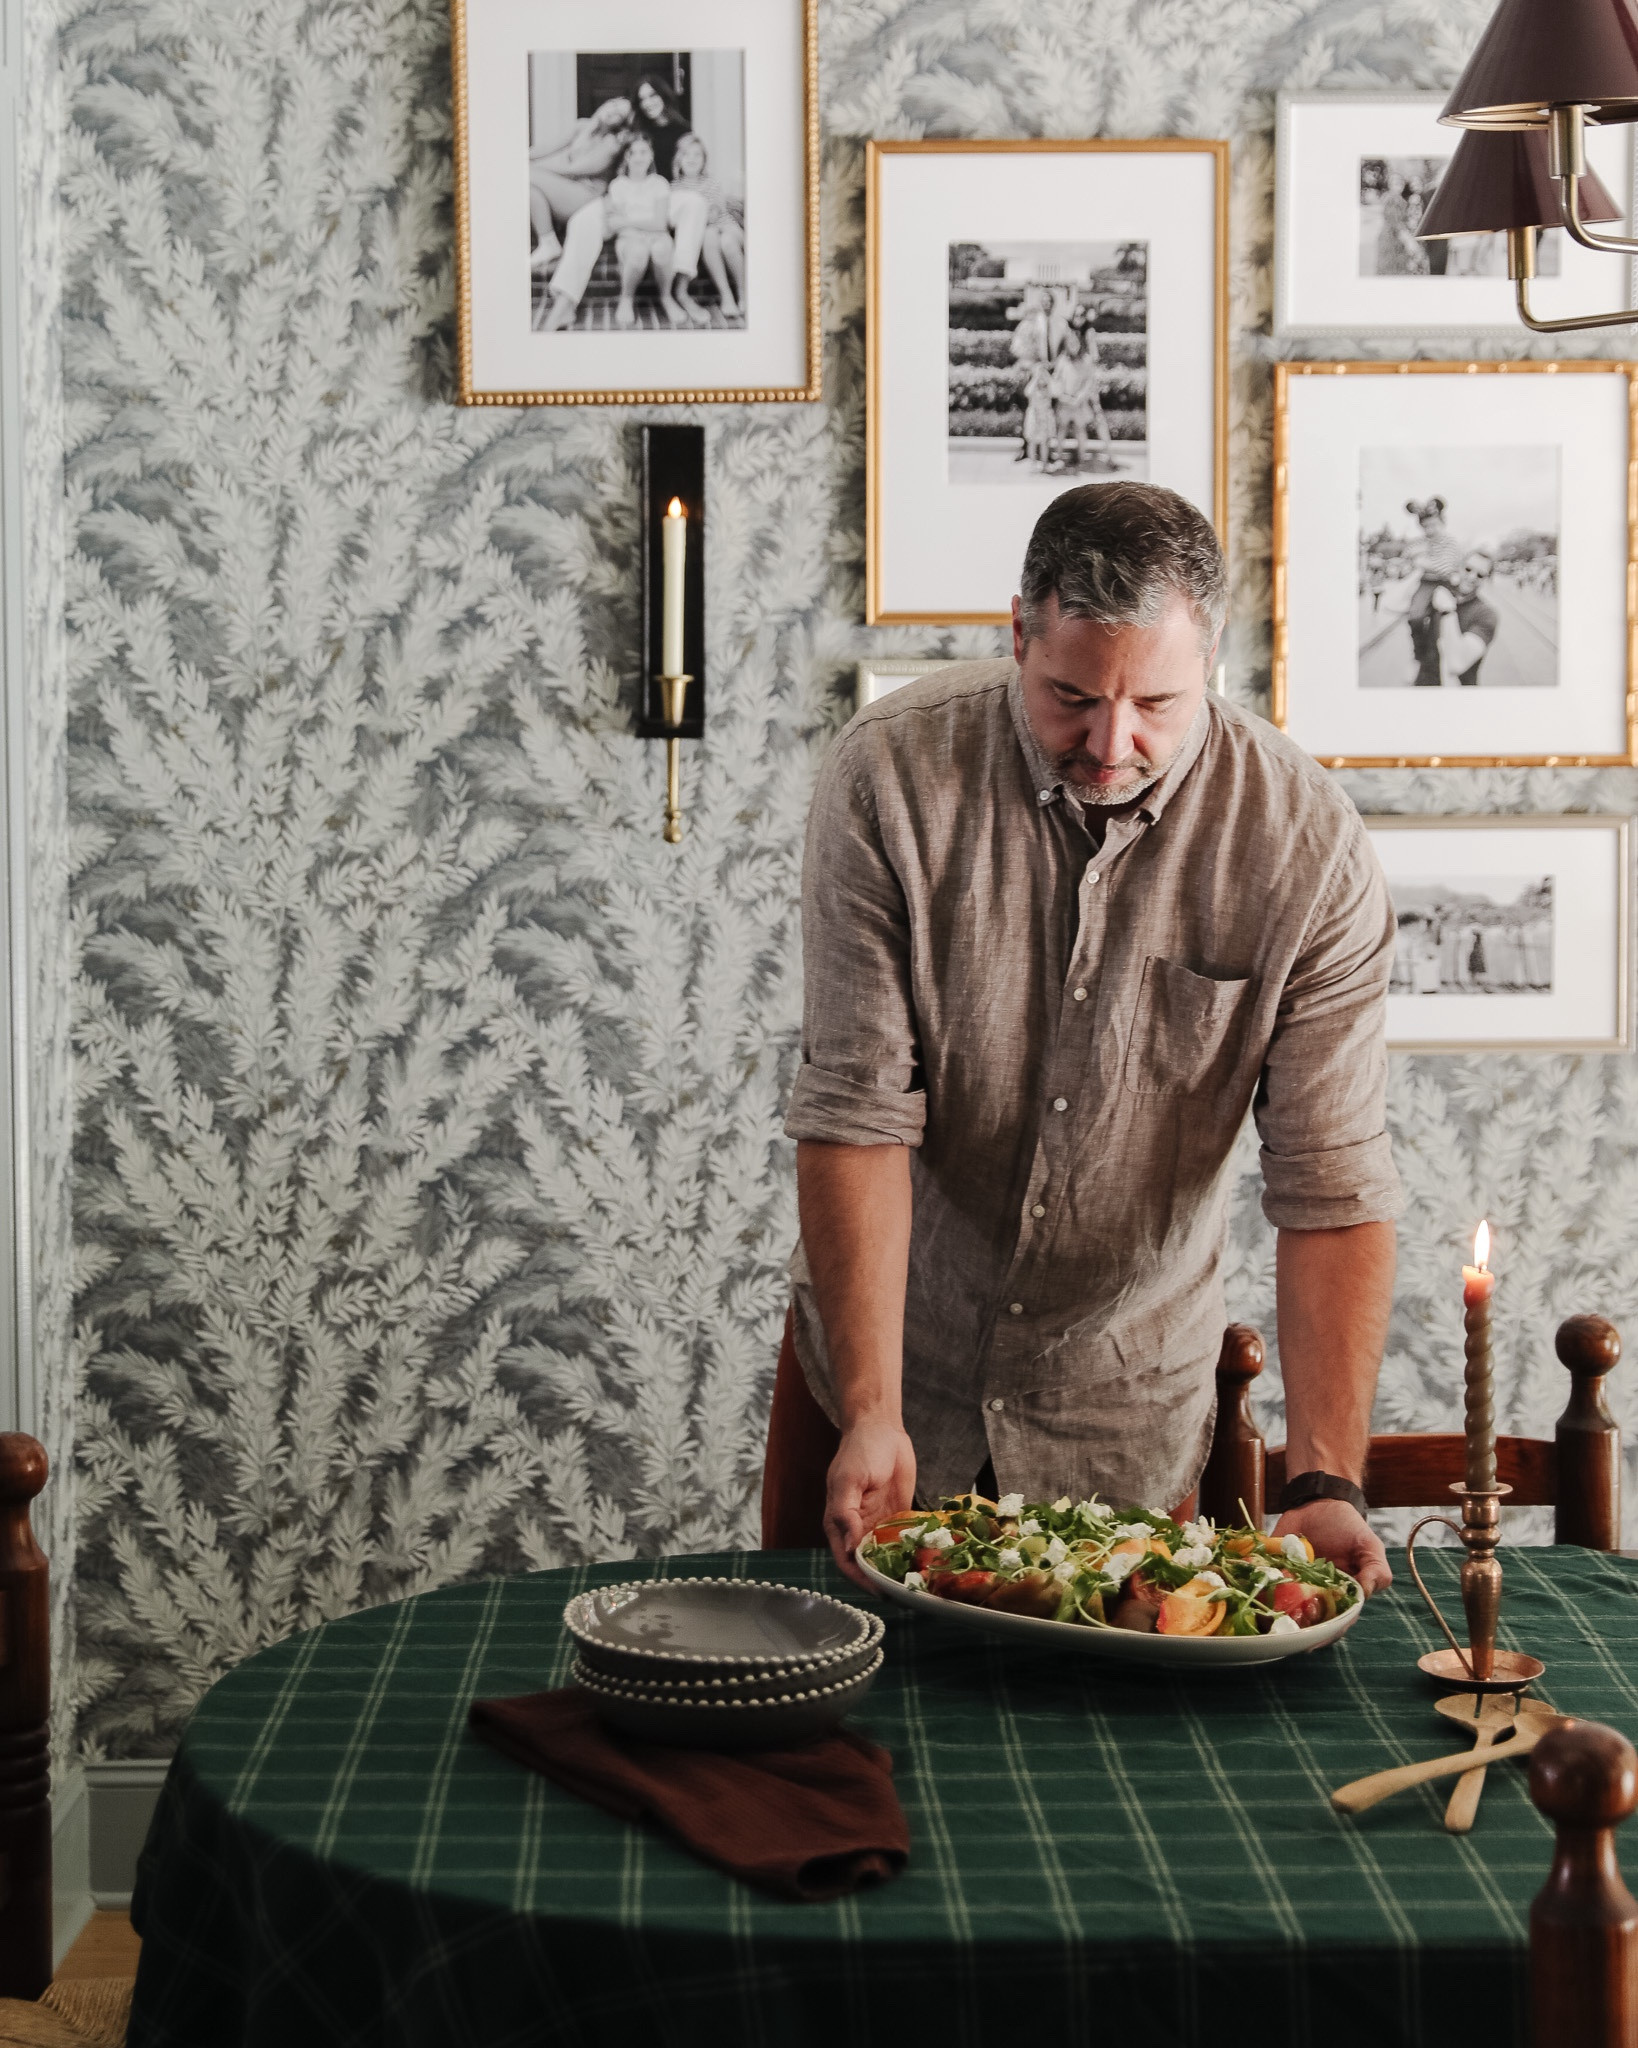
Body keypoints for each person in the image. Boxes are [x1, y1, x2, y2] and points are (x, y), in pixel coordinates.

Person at [764, 483, 1401, 1600]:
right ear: (1018, 634)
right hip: (888, 1362)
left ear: (1213, 656)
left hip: (1127, 1404)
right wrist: (872, 1408)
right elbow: (857, 1109)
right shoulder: (889, 777)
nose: (1113, 743)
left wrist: (1328, 1476)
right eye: (1070, 695)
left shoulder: (1310, 849)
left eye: (1156, 699)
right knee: (809, 1707)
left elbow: (1331, 1184)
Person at [602, 134, 681, 329]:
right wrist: (641, 227)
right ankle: (626, 298)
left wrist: (628, 221)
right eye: (633, 153)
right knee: (638, 252)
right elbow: (613, 225)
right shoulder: (618, 185)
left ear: (651, 155)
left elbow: (660, 224)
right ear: (626, 157)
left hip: (657, 235)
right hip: (629, 238)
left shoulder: (659, 183)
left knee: (661, 250)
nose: (638, 157)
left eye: (643, 152)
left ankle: (666, 297)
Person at [669, 131, 745, 324]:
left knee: (728, 242)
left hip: (725, 226)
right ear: (678, 160)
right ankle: (726, 295)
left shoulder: (711, 183)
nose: (692, 159)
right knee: (709, 236)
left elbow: (714, 213)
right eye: (687, 154)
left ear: (704, 160)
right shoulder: (674, 188)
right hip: (706, 233)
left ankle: (744, 294)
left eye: (697, 155)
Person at [1403, 497, 1466, 686]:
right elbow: (1407, 554)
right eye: (1426, 527)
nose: (1431, 530)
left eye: (1434, 525)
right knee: (1415, 617)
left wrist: (1422, 560)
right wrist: (1422, 561)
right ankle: (1418, 655)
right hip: (1425, 584)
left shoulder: (1450, 541)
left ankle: (1453, 665)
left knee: (1447, 624)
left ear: (1442, 522)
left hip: (1446, 584)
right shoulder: (1420, 541)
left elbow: (1445, 567)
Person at [1431, 550, 1499, 686]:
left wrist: (1448, 611)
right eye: (1468, 569)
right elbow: (1392, 604)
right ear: (1459, 567)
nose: (1472, 577)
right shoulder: (1440, 592)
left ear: (1487, 579)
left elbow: (1456, 664)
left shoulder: (1486, 614)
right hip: (1422, 686)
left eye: (1480, 575)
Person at [1021, 362, 1055, 471]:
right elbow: (1027, 392)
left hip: (1045, 416)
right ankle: (1033, 463)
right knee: (1032, 441)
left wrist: (1047, 376)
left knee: (1045, 441)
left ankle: (1044, 463)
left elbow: (1056, 391)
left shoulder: (1048, 388)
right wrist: (1036, 377)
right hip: (1034, 416)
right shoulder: (1033, 387)